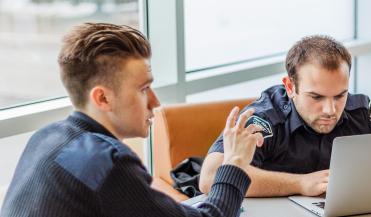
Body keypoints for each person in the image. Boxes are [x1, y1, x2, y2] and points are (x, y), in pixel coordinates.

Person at [0, 23, 263, 217]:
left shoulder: (45, 137)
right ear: (102, 98)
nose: (155, 102)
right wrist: (236, 162)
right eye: (143, 89)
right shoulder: (106, 162)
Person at [199, 35, 371, 197]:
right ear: (290, 87)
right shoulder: (266, 119)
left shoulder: (363, 111)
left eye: (340, 95)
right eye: (317, 97)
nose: (330, 110)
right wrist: (300, 183)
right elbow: (210, 178)